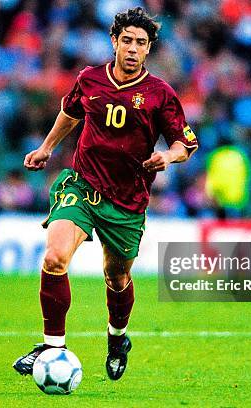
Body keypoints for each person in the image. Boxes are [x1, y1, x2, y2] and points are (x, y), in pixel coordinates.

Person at [13, 7, 198, 381]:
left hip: (127, 201)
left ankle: (117, 338)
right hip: (82, 185)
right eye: (126, 40)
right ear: (114, 41)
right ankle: (52, 346)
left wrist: (168, 156)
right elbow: (70, 111)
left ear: (149, 50)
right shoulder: (90, 79)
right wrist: (47, 147)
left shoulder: (160, 93)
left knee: (116, 277)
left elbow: (187, 142)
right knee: (54, 257)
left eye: (141, 43)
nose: (132, 49)